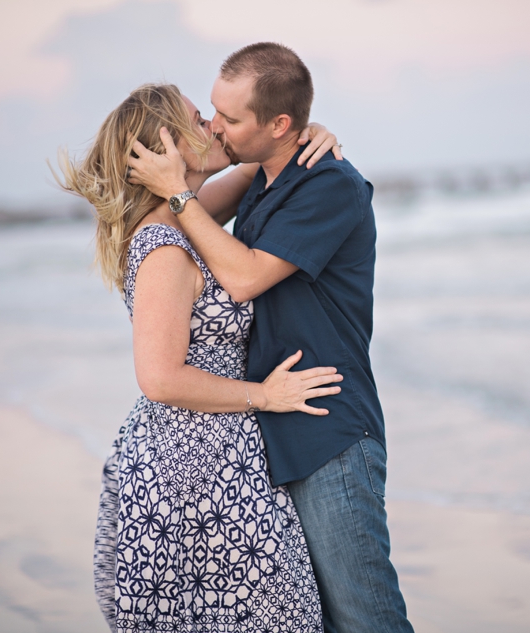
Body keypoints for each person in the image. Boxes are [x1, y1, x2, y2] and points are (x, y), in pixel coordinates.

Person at [127, 43, 415, 633]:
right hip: (276, 433)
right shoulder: (261, 178)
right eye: (212, 111)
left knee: (365, 619)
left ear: (278, 125)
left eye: (229, 118)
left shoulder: (328, 185)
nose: (214, 126)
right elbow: (168, 225)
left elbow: (243, 276)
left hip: (326, 427)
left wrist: (178, 188)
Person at [54, 83, 344, 631]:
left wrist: (307, 134)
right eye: (198, 119)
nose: (213, 125)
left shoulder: (181, 215)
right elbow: (159, 378)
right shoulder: (163, 244)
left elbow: (257, 168)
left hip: (216, 453)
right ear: (166, 148)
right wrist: (266, 396)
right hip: (195, 467)